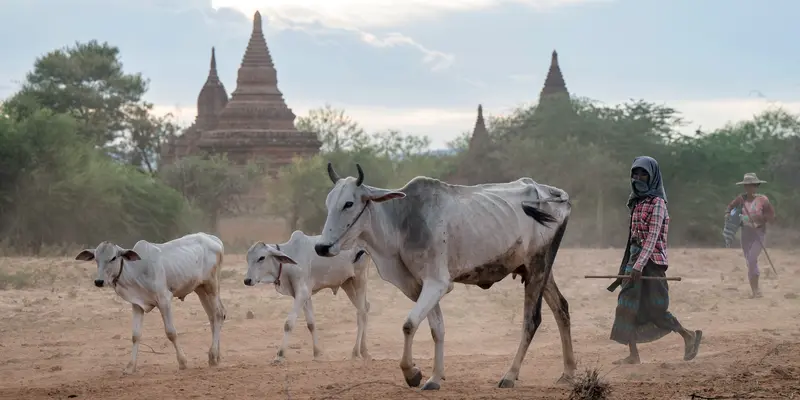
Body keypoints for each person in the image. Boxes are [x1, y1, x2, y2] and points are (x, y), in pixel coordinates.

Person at [607, 156, 702, 365]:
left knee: (656, 309)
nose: (638, 177)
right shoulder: (636, 201)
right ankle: (633, 355)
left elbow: (651, 238)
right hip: (635, 260)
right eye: (635, 173)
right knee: (626, 305)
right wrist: (630, 264)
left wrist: (639, 265)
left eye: (643, 174)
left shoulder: (658, 203)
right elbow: (633, 236)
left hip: (652, 263)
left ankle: (688, 335)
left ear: (653, 177)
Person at [724, 173, 775, 298]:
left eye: (752, 185)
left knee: (752, 259)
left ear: (756, 186)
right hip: (746, 233)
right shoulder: (741, 199)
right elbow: (730, 207)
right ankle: (754, 291)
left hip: (758, 232)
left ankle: (756, 290)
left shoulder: (763, 200)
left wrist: (758, 218)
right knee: (749, 261)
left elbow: (771, 216)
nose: (749, 188)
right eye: (747, 186)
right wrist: (728, 214)